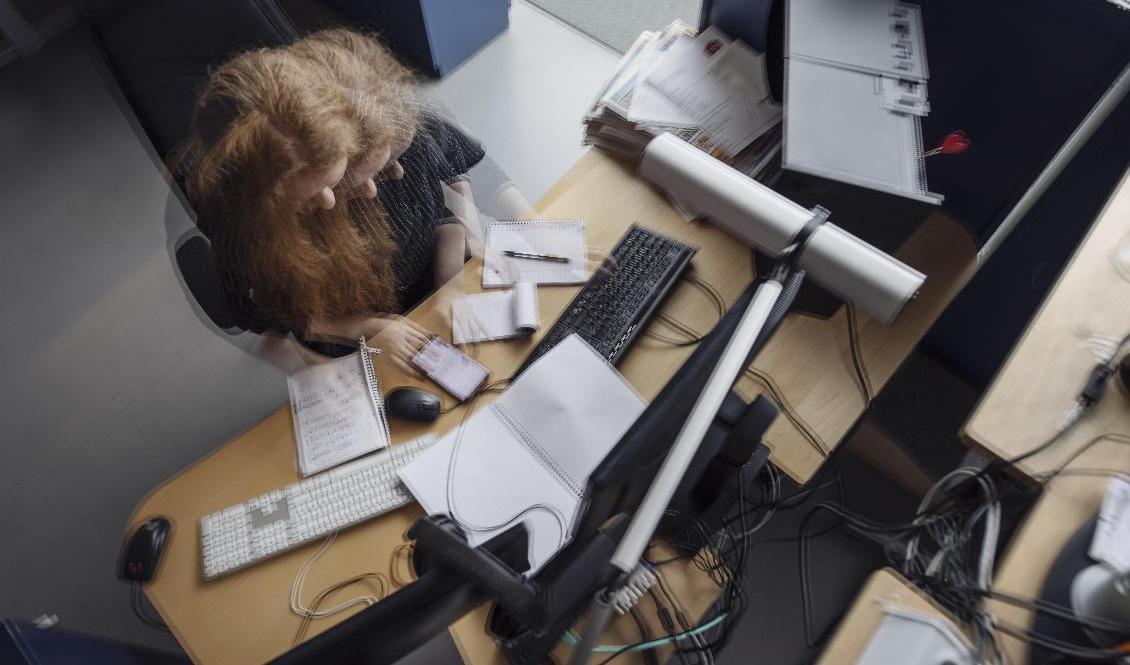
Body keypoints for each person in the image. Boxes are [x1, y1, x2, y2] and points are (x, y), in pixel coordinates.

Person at [179, 29, 487, 372]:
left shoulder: (384, 136)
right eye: (321, 188)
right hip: (352, 338)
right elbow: (262, 317)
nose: (370, 189)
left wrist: (451, 284)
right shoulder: (239, 232)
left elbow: (440, 210)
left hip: (419, 300)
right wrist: (357, 332)